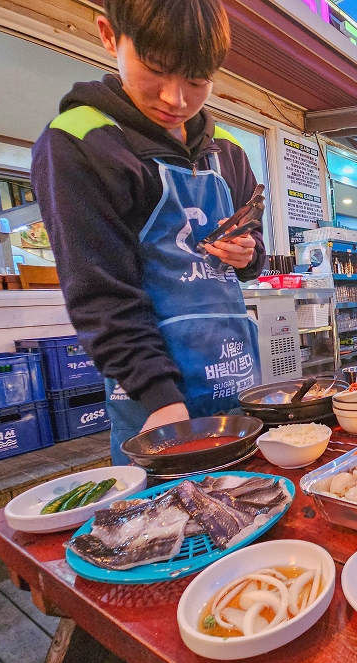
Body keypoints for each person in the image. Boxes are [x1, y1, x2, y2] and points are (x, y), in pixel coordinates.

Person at [31, 0, 266, 463]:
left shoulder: (229, 149)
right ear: (107, 35)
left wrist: (247, 253)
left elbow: (253, 254)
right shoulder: (82, 143)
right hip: (154, 397)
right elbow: (100, 294)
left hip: (237, 377)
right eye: (156, 71)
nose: (175, 99)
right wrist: (161, 398)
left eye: (197, 81)